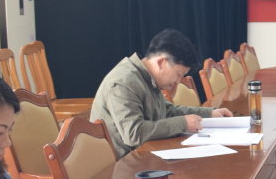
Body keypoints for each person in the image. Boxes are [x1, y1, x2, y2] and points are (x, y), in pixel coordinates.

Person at [91, 29, 233, 158]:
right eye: (178, 74)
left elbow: (168, 111)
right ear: (161, 62)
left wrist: (210, 114)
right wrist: (183, 123)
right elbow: (134, 134)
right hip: (124, 165)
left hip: (145, 155)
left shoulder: (147, 78)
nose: (179, 81)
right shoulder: (123, 82)